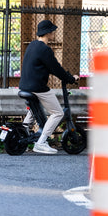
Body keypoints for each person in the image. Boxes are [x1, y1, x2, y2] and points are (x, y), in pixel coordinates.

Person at [19, 20, 79, 154]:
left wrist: (63, 75)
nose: (54, 33)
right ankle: (41, 142)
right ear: (48, 33)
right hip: (37, 87)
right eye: (52, 31)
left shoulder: (32, 45)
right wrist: (70, 78)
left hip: (24, 86)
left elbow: (47, 67)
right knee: (58, 113)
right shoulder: (45, 49)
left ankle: (22, 133)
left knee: (35, 109)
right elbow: (56, 68)